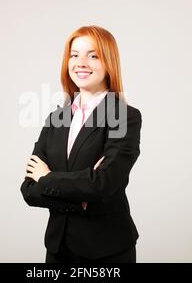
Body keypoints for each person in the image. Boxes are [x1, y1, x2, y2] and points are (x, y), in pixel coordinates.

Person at [20, 25, 142, 263]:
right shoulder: (56, 119)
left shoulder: (125, 117)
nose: (81, 62)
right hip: (57, 250)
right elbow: (28, 190)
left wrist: (47, 178)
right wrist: (81, 201)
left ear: (109, 63)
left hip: (106, 250)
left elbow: (104, 183)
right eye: (74, 55)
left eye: (93, 55)